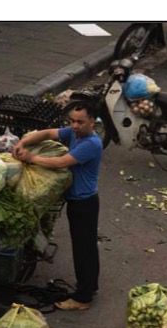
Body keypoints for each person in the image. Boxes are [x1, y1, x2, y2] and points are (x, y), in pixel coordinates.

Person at [13, 102, 103, 310]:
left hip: (84, 203)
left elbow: (62, 162)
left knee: (84, 249)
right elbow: (47, 133)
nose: (75, 125)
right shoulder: (74, 134)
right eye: (72, 121)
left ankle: (83, 298)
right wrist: (25, 140)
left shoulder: (91, 143)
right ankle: (89, 287)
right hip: (76, 200)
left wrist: (31, 157)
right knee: (85, 247)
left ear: (92, 121)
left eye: (80, 121)